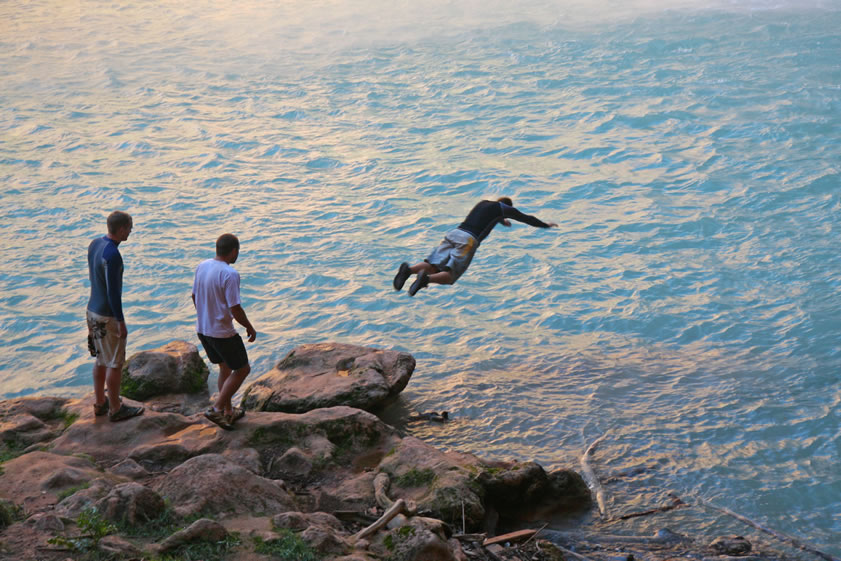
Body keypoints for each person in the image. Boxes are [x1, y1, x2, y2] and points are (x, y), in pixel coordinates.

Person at [393, 197, 558, 296]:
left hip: (454, 233)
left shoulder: (484, 204)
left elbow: (491, 217)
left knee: (432, 264)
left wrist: (502, 221)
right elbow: (525, 218)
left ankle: (408, 270)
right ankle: (425, 279)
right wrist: (545, 225)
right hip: (468, 240)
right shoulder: (504, 209)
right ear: (507, 207)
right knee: (450, 276)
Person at [192, 233, 257, 430]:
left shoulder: (202, 266)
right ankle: (217, 408)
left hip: (203, 330)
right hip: (222, 333)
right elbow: (235, 308)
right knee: (243, 369)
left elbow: (194, 296)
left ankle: (229, 412)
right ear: (234, 251)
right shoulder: (230, 274)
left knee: (225, 368)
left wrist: (206, 316)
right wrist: (249, 327)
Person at [86, 211, 145, 422]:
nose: (131, 231)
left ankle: (100, 402)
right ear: (121, 229)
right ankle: (115, 408)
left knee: (101, 358)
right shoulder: (113, 255)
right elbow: (113, 293)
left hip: (92, 310)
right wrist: (120, 321)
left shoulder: (95, 245)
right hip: (107, 316)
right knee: (114, 362)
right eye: (129, 227)